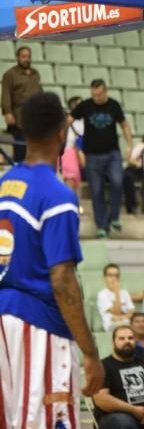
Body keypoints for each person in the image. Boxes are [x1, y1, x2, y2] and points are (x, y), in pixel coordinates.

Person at [0, 91, 103, 426]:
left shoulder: (5, 182)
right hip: (38, 323)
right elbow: (62, 280)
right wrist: (90, 352)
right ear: (62, 133)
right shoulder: (57, 195)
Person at [71, 78, 133, 238]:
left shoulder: (114, 105)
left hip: (112, 153)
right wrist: (73, 144)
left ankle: (114, 217)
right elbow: (68, 120)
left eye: (98, 95)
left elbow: (124, 125)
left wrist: (130, 144)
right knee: (96, 191)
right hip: (91, 155)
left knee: (118, 182)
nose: (96, 98)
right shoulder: (86, 105)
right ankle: (102, 226)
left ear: (105, 91)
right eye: (93, 95)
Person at [93, 324, 144, 428]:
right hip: (115, 416)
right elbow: (101, 399)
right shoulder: (103, 366)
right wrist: (133, 410)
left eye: (130, 338)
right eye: (121, 338)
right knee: (125, 423)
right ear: (113, 342)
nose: (127, 341)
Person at [1, 45, 42, 162]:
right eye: (23, 57)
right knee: (21, 148)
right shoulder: (10, 74)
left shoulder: (35, 74)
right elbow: (6, 94)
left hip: (36, 116)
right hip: (19, 117)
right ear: (17, 58)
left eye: (28, 57)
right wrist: (7, 112)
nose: (26, 59)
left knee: (35, 148)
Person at [97, 263, 135, 332]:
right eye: (110, 275)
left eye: (116, 275)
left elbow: (131, 312)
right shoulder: (102, 294)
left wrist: (121, 317)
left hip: (127, 323)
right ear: (104, 278)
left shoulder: (124, 292)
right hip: (112, 325)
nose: (114, 278)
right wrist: (117, 292)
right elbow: (116, 312)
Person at [61, 95, 85, 193]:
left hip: (83, 155)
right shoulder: (67, 121)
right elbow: (71, 140)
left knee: (77, 186)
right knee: (70, 183)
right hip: (71, 154)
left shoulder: (86, 121)